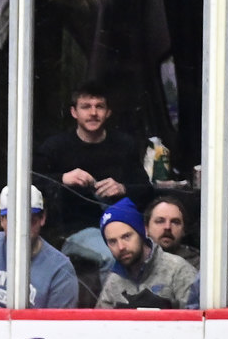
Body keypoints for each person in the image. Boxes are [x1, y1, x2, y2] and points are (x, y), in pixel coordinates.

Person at [33, 81, 151, 239]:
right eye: (86, 107)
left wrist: (122, 188)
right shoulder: (55, 146)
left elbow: (146, 190)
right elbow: (28, 181)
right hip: (71, 231)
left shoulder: (124, 145)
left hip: (120, 226)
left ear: (108, 112)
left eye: (99, 106)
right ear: (74, 112)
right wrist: (62, 178)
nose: (93, 113)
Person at [94, 196, 195, 309]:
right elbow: (100, 324)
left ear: (143, 232)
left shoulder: (178, 270)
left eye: (127, 237)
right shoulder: (113, 280)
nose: (121, 247)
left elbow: (199, 319)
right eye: (112, 241)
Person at [144, 195, 197, 267]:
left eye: (175, 222)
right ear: (146, 229)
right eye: (160, 221)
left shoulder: (200, 266)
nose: (167, 227)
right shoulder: (134, 261)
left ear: (184, 230)